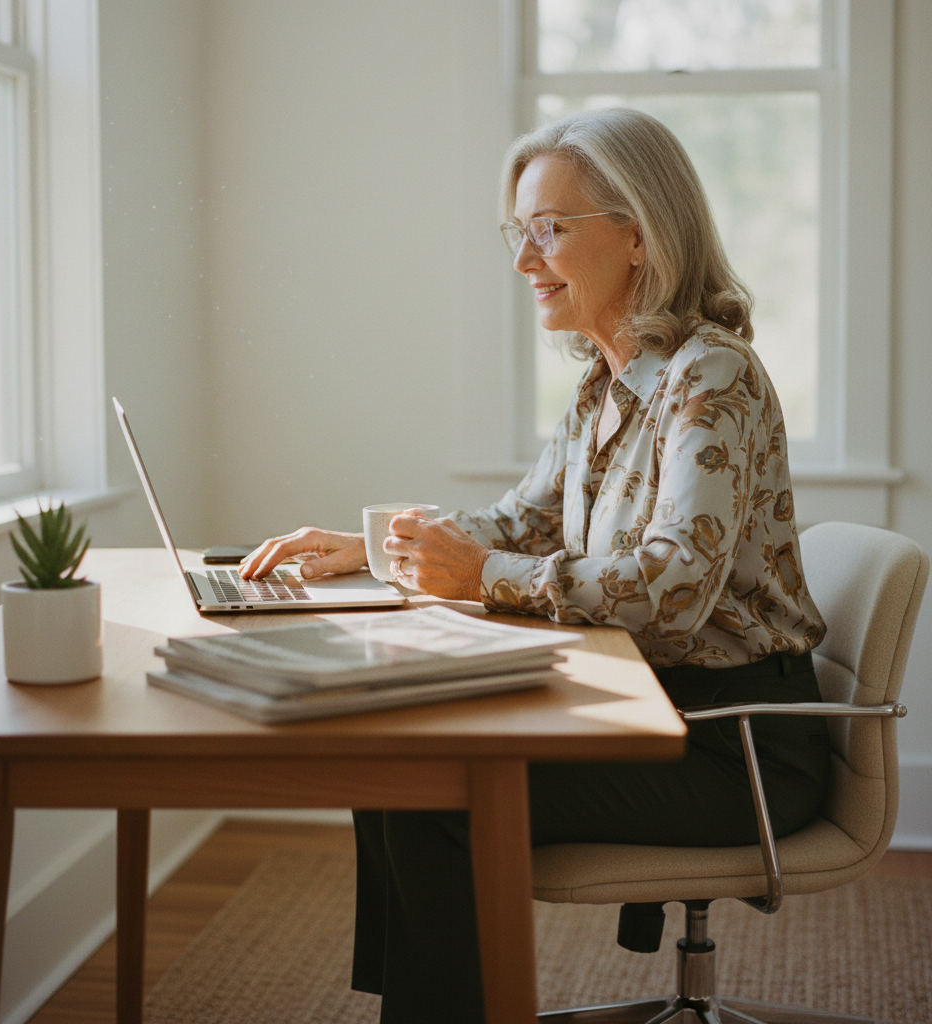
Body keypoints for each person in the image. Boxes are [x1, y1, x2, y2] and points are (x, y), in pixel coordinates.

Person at [239, 107, 830, 1024]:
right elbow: (517, 521)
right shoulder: (605, 383)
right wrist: (372, 546)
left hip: (735, 745)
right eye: (519, 232)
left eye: (549, 231)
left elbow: (671, 595)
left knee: (434, 797)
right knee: (395, 764)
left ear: (638, 235)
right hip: (653, 711)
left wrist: (481, 575)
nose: (524, 261)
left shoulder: (712, 377)